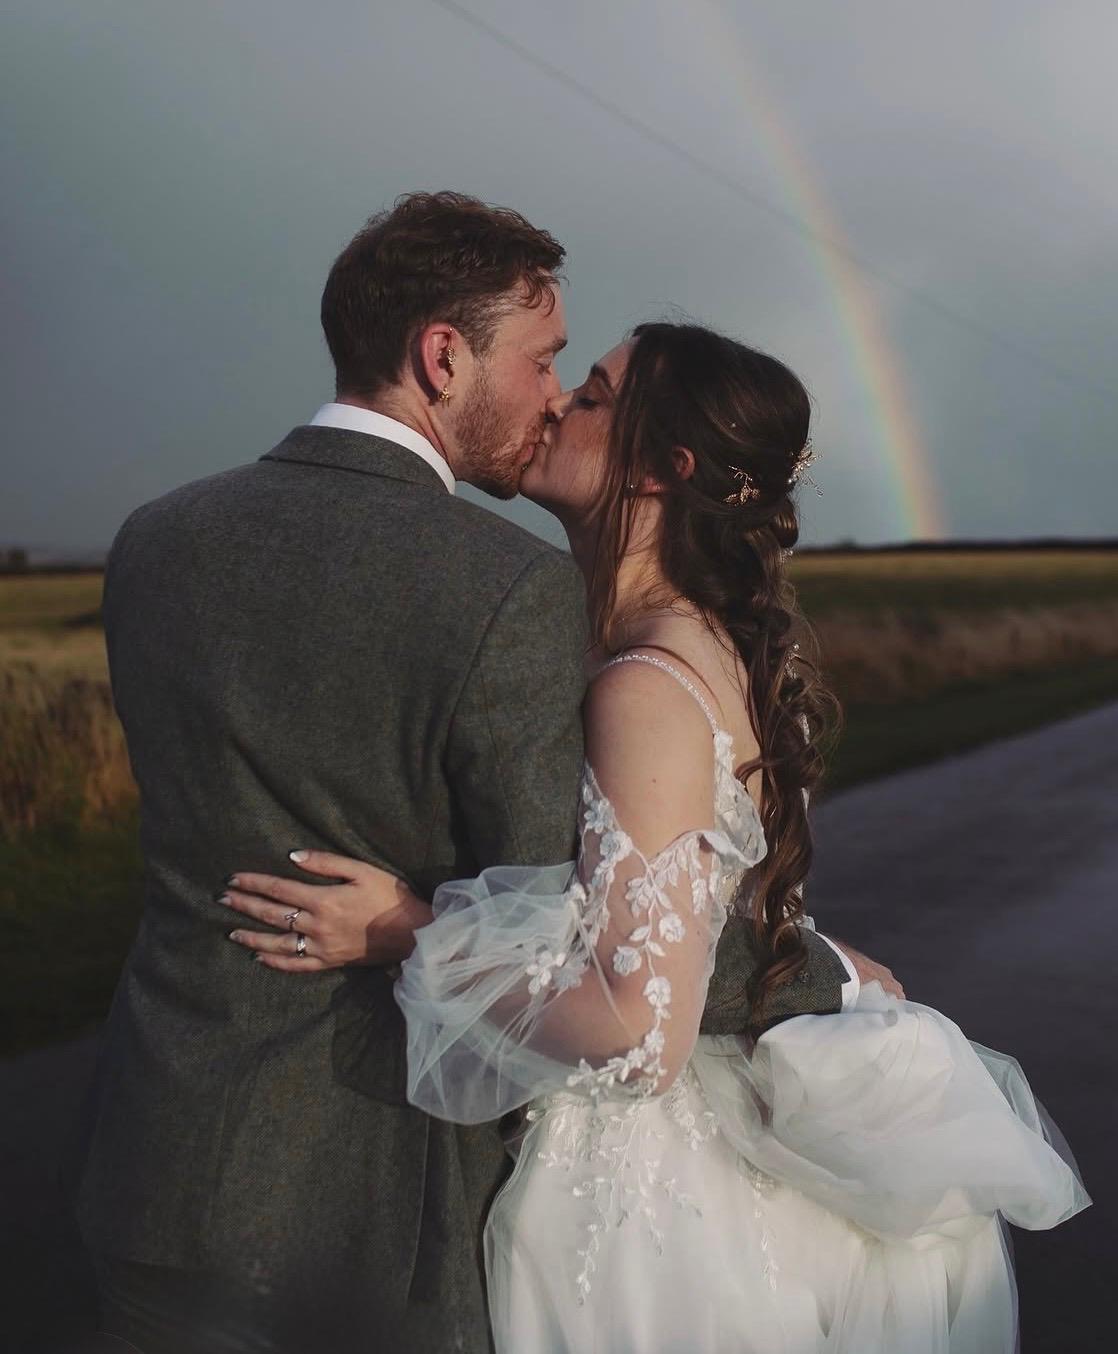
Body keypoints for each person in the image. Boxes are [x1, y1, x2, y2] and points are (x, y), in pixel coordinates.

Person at [74, 195, 868, 1354]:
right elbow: (585, 911)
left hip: (157, 1163)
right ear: (443, 357)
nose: (552, 396)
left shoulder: (152, 541)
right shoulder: (504, 589)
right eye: (547, 362)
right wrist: (822, 968)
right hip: (371, 1213)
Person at [228, 321, 1090, 1352]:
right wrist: (812, 955)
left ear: (658, 468)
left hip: (647, 1216)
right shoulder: (671, 643)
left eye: (589, 394)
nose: (554, 403)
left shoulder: (645, 685)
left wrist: (402, 929)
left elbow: (638, 1030)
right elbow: (696, 914)